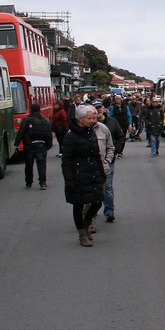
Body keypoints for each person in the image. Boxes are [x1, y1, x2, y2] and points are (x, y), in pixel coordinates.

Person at [61, 105, 107, 247]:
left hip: (93, 172)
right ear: (80, 120)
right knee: (79, 204)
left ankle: (86, 224)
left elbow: (97, 155)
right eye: (89, 118)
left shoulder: (90, 133)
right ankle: (82, 234)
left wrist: (102, 172)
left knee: (97, 201)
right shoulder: (70, 137)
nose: (92, 121)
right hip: (78, 174)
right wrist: (69, 179)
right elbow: (66, 160)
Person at [94, 101, 125, 223]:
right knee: (95, 187)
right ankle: (93, 211)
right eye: (96, 108)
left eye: (100, 107)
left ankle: (109, 212)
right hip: (93, 161)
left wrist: (115, 151)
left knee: (107, 186)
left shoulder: (112, 122)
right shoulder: (89, 124)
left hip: (108, 160)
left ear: (103, 108)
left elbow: (120, 137)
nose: (98, 110)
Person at [14, 102, 53, 189]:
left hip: (29, 144)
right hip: (41, 144)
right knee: (41, 164)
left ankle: (29, 181)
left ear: (31, 110)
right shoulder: (45, 120)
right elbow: (49, 134)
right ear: (39, 110)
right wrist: (48, 145)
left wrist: (16, 144)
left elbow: (21, 132)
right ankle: (43, 182)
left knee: (28, 164)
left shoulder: (27, 120)